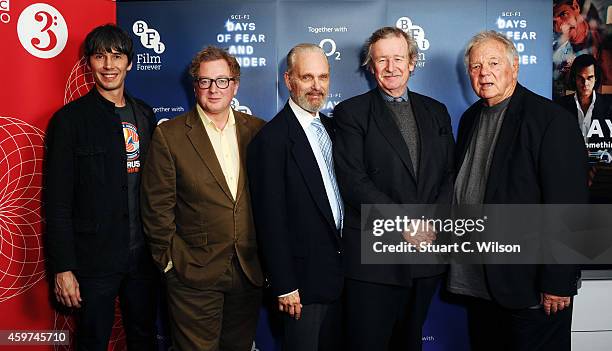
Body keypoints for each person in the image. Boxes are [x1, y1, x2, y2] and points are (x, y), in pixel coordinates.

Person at [451, 30, 588, 351]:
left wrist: (558, 281)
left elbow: (569, 207)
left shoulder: (550, 120)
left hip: (531, 288)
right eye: (475, 66)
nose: (484, 72)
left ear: (515, 67)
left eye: (494, 63)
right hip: (479, 285)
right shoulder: (471, 118)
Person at [333, 27, 455, 350]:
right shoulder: (350, 113)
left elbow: (450, 175)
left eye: (398, 58)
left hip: (425, 258)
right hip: (374, 263)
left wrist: (430, 224)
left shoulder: (437, 111)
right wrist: (403, 225)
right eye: (382, 60)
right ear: (371, 67)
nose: (391, 67)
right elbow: (353, 181)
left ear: (412, 62)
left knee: (410, 343)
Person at [140, 46, 265, 350]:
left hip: (248, 271)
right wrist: (170, 263)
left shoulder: (259, 130)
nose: (214, 89)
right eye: (205, 81)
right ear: (195, 85)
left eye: (222, 80)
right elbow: (157, 208)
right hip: (192, 274)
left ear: (235, 85)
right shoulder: (170, 135)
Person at [45, 24, 158, 350]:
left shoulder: (145, 114)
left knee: (144, 338)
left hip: (144, 259)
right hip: (93, 261)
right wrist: (63, 267)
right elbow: (58, 202)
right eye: (99, 56)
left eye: (117, 56)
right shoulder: (69, 120)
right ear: (88, 64)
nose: (109, 65)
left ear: (130, 63)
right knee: (92, 342)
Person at [247, 44, 343, 351]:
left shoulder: (334, 129)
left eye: (323, 77)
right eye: (307, 77)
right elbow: (269, 220)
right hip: (301, 287)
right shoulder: (270, 140)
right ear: (289, 80)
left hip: (341, 278)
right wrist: (285, 284)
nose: (317, 86)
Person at [556, 54, 612, 202]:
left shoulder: (609, 106)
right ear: (574, 78)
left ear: (596, 78)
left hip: (603, 177)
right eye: (581, 78)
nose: (585, 83)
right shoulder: (560, 107)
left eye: (590, 78)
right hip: (569, 175)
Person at [552, 0, 609, 98]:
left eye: (563, 14)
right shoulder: (555, 53)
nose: (561, 26)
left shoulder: (604, 36)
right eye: (554, 22)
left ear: (575, 6)